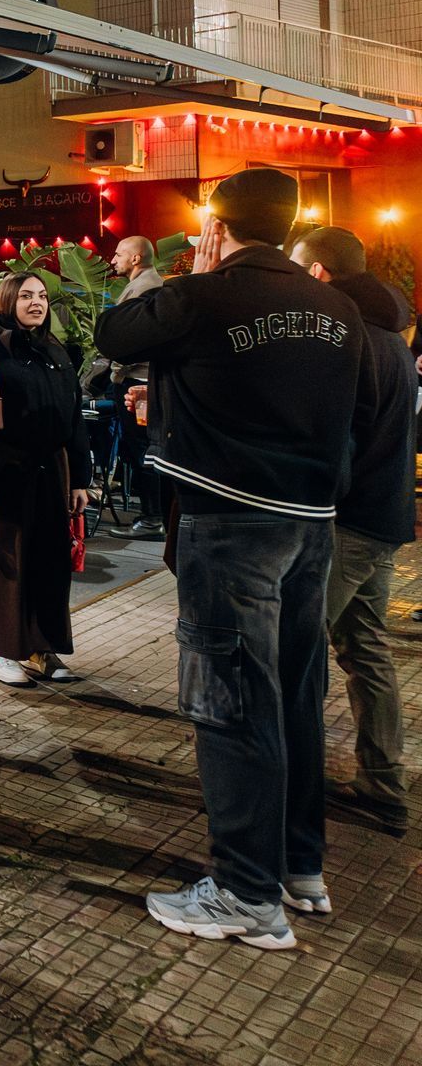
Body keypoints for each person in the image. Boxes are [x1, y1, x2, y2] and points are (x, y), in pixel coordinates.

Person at [96, 167, 364, 949]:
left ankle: (247, 894)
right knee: (294, 694)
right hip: (311, 522)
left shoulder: (205, 297)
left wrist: (200, 275)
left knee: (232, 699)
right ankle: (298, 866)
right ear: (290, 225)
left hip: (231, 519)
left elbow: (115, 334)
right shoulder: (338, 308)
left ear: (218, 224)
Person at [289, 226, 414, 835]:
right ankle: (383, 783)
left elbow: (340, 438)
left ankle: (292, 782)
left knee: (298, 648)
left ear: (318, 274)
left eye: (295, 268)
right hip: (384, 517)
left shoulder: (350, 339)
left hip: (348, 522)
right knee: (365, 648)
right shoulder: (391, 335)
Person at [0, 271, 91, 686]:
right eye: (26, 296)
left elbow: (74, 415)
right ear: (8, 300)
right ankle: (0, 650)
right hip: (4, 470)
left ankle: (40, 647)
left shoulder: (54, 348)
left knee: (50, 561)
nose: (36, 303)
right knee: (7, 561)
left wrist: (80, 478)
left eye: (41, 296)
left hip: (51, 468)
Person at [109, 235, 166, 538]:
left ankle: (152, 517)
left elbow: (129, 338)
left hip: (137, 381)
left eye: (118, 254)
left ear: (135, 258)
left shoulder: (144, 288)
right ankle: (154, 514)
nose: (113, 260)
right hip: (139, 378)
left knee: (143, 449)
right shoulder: (148, 284)